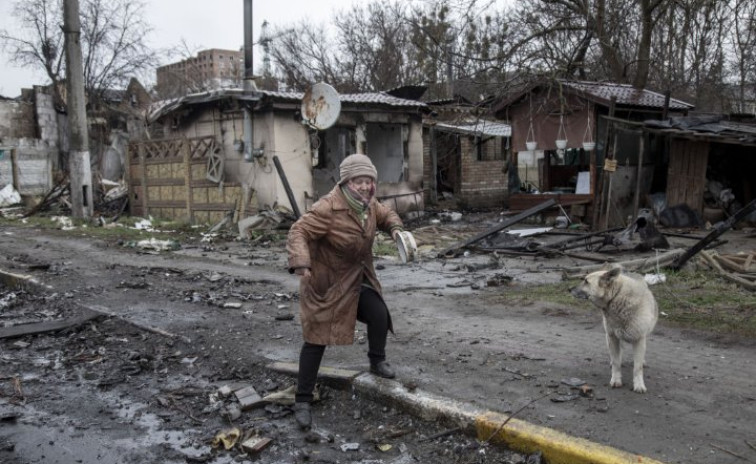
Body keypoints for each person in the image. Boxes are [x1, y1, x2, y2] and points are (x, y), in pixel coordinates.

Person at [286, 153, 405, 431]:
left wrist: (396, 230)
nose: (365, 186)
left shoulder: (369, 204)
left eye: (368, 181)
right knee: (316, 340)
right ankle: (302, 400)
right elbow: (298, 231)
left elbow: (386, 214)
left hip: (356, 278)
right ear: (346, 182)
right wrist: (301, 262)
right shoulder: (328, 207)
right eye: (358, 181)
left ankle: (377, 361)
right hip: (326, 282)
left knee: (378, 314)